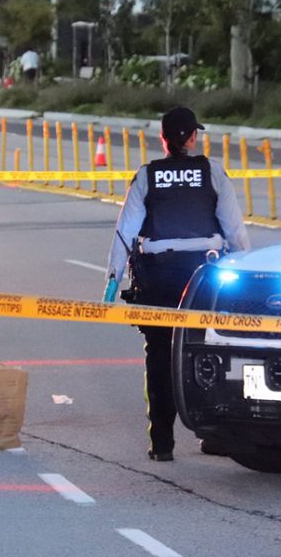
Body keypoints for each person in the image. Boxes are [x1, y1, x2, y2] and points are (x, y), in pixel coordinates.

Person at [104, 107, 249, 462]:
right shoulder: (212, 172)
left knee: (159, 354)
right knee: (212, 353)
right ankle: (215, 436)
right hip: (206, 277)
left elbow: (125, 233)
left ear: (163, 139)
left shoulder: (146, 176)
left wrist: (111, 281)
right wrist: (246, 273)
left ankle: (162, 442)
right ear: (193, 138)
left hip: (159, 276)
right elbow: (234, 231)